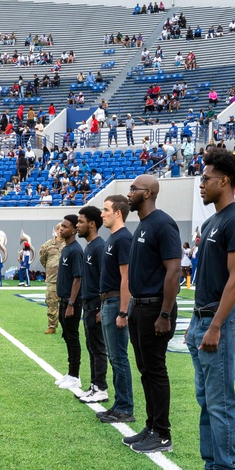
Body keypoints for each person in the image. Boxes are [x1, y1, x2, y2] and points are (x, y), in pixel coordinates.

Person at [178, 149, 235, 470]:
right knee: (206, 399)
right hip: (201, 319)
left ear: (225, 181)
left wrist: (217, 326)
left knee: (220, 401)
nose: (201, 184)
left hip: (218, 322)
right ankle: (212, 468)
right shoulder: (211, 222)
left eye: (206, 178)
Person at [122, 174, 181, 454]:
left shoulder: (163, 224)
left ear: (148, 193)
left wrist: (165, 314)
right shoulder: (143, 225)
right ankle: (152, 426)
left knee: (156, 370)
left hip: (156, 308)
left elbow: (173, 271)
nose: (129, 193)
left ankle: (163, 433)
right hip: (140, 306)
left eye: (134, 189)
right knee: (145, 370)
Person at [96, 195, 135, 424]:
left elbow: (126, 278)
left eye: (106, 210)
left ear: (118, 212)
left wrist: (123, 311)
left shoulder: (123, 239)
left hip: (115, 304)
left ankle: (125, 408)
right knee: (114, 357)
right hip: (107, 303)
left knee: (119, 357)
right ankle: (119, 404)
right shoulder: (112, 238)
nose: (102, 214)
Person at [75, 205, 108, 404]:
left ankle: (101, 388)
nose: (78, 225)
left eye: (81, 221)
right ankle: (94, 386)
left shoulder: (99, 247)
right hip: (88, 304)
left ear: (92, 224)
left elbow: (105, 279)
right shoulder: (89, 246)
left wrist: (100, 307)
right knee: (91, 346)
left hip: (96, 304)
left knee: (97, 348)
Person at [54, 214, 85, 391]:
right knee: (67, 336)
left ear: (73, 229)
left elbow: (78, 279)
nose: (61, 229)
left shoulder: (75, 250)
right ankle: (70, 372)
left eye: (65, 227)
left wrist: (72, 304)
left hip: (71, 302)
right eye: (61, 226)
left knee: (73, 337)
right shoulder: (66, 248)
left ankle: (75, 375)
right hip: (63, 300)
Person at [39, 226, 63, 333]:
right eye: (59, 229)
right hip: (52, 280)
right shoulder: (48, 245)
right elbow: (43, 259)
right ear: (56, 231)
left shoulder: (69, 244)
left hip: (65, 280)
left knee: (66, 304)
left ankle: (66, 327)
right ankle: (52, 326)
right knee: (51, 303)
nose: (60, 231)